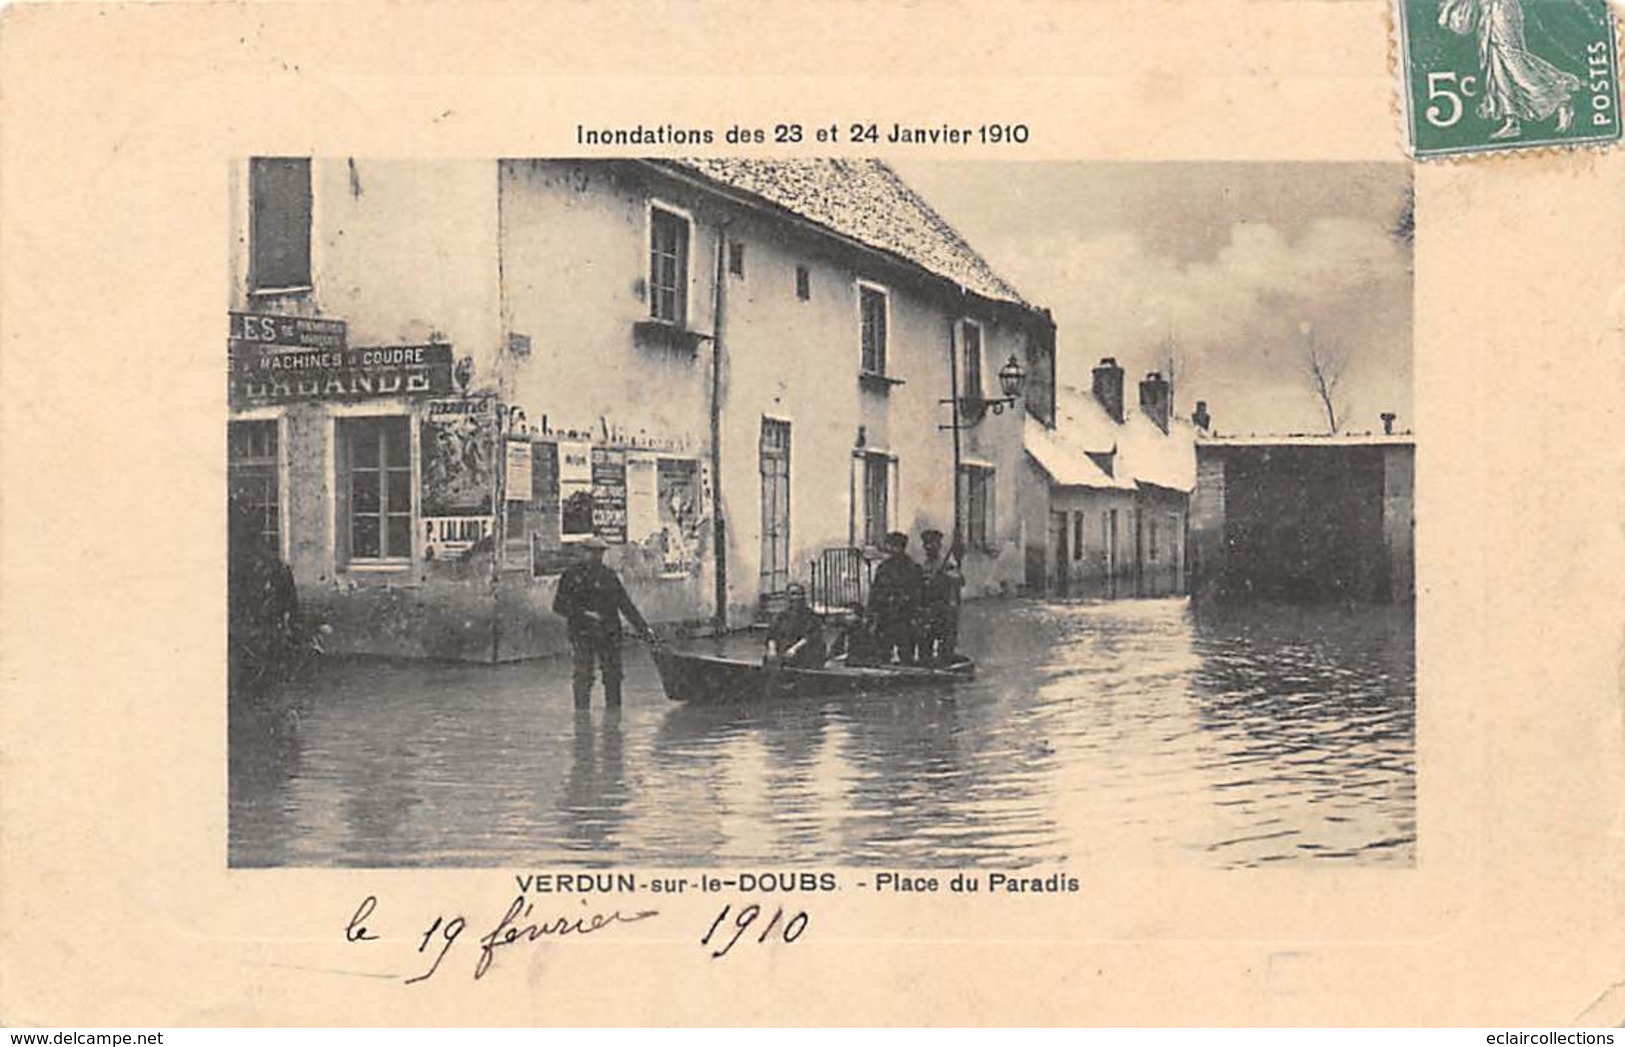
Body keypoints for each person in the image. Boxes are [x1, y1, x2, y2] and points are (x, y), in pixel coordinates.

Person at [1438, 0, 1579, 140]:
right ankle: (1512, 121)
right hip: (1491, 11)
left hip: (1501, 11)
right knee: (1497, 66)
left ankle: (1561, 95)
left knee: (1514, 63)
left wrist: (1447, 10)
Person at [552, 536, 655, 707]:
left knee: (613, 676)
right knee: (583, 677)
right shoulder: (571, 576)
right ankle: (582, 719)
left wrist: (644, 630)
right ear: (582, 553)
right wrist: (584, 614)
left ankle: (613, 720)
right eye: (592, 552)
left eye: (600, 553)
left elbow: (625, 605)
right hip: (582, 634)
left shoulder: (608, 576)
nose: (596, 557)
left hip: (609, 634)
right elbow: (558, 606)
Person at [867, 531, 924, 664]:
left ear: (902, 547)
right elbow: (875, 592)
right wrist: (871, 613)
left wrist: (911, 608)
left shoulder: (912, 568)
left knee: (906, 652)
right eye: (891, 547)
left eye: (896, 546)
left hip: (904, 617)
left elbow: (918, 594)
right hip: (885, 617)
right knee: (882, 653)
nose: (892, 550)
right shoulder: (883, 568)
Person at [917, 529, 965, 666]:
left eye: (932, 544)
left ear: (939, 546)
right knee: (925, 643)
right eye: (926, 544)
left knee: (946, 644)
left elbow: (960, 580)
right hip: (927, 609)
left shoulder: (948, 565)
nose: (928, 547)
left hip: (944, 609)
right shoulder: (923, 565)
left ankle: (945, 669)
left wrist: (944, 576)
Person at [764, 582, 827, 668]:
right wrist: (772, 650)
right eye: (793, 594)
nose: (796, 598)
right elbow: (772, 635)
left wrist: (794, 649)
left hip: (803, 651)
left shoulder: (811, 616)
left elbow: (810, 637)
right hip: (785, 650)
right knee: (770, 662)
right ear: (787, 597)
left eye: (799, 594)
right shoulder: (782, 616)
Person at [829, 602, 882, 668]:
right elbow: (835, 650)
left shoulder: (863, 633)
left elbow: (863, 653)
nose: (846, 618)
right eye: (845, 615)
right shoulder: (845, 632)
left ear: (858, 617)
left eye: (850, 615)